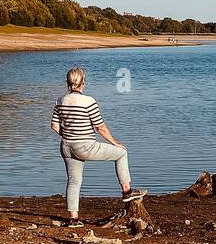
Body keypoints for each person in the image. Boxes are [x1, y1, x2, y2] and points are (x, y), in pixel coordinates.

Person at [51, 67, 146, 226]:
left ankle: (73, 219)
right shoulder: (88, 101)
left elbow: (54, 125)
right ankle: (127, 191)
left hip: (66, 146)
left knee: (74, 181)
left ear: (68, 83)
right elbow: (100, 127)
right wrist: (115, 143)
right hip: (85, 146)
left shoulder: (60, 100)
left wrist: (69, 136)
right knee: (121, 153)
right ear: (83, 83)